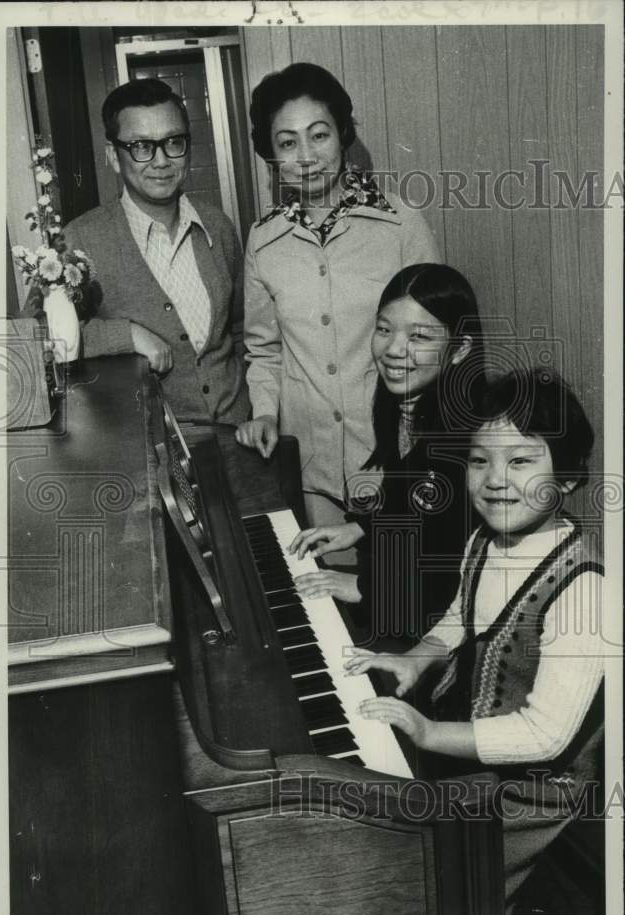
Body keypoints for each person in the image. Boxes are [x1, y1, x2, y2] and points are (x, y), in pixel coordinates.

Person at [345, 367, 605, 900]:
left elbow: (545, 735)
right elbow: (460, 617)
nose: (495, 479)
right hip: (465, 736)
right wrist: (416, 658)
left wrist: (430, 735)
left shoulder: (585, 589)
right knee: (385, 837)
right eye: (479, 460)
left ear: (570, 478)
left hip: (535, 787)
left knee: (442, 891)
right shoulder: (484, 539)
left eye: (521, 461)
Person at [235, 63, 440, 536]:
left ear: (343, 133)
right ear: (272, 156)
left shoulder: (400, 225)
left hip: (397, 461)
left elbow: (434, 340)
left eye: (319, 135)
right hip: (313, 471)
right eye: (287, 143)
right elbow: (264, 351)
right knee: (327, 598)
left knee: (400, 598)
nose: (306, 156)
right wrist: (265, 411)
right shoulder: (264, 242)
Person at [26, 78, 249, 424]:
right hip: (152, 453)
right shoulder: (79, 240)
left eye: (174, 142)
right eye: (142, 147)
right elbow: (35, 335)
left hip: (238, 434)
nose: (161, 161)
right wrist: (124, 335)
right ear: (114, 157)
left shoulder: (218, 228)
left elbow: (241, 329)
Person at [290, 263, 485, 646]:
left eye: (420, 337)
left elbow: (448, 574)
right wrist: (361, 528)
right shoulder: (409, 406)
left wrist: (363, 587)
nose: (394, 349)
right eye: (384, 329)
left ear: (460, 349)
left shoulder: (467, 444)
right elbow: (416, 514)